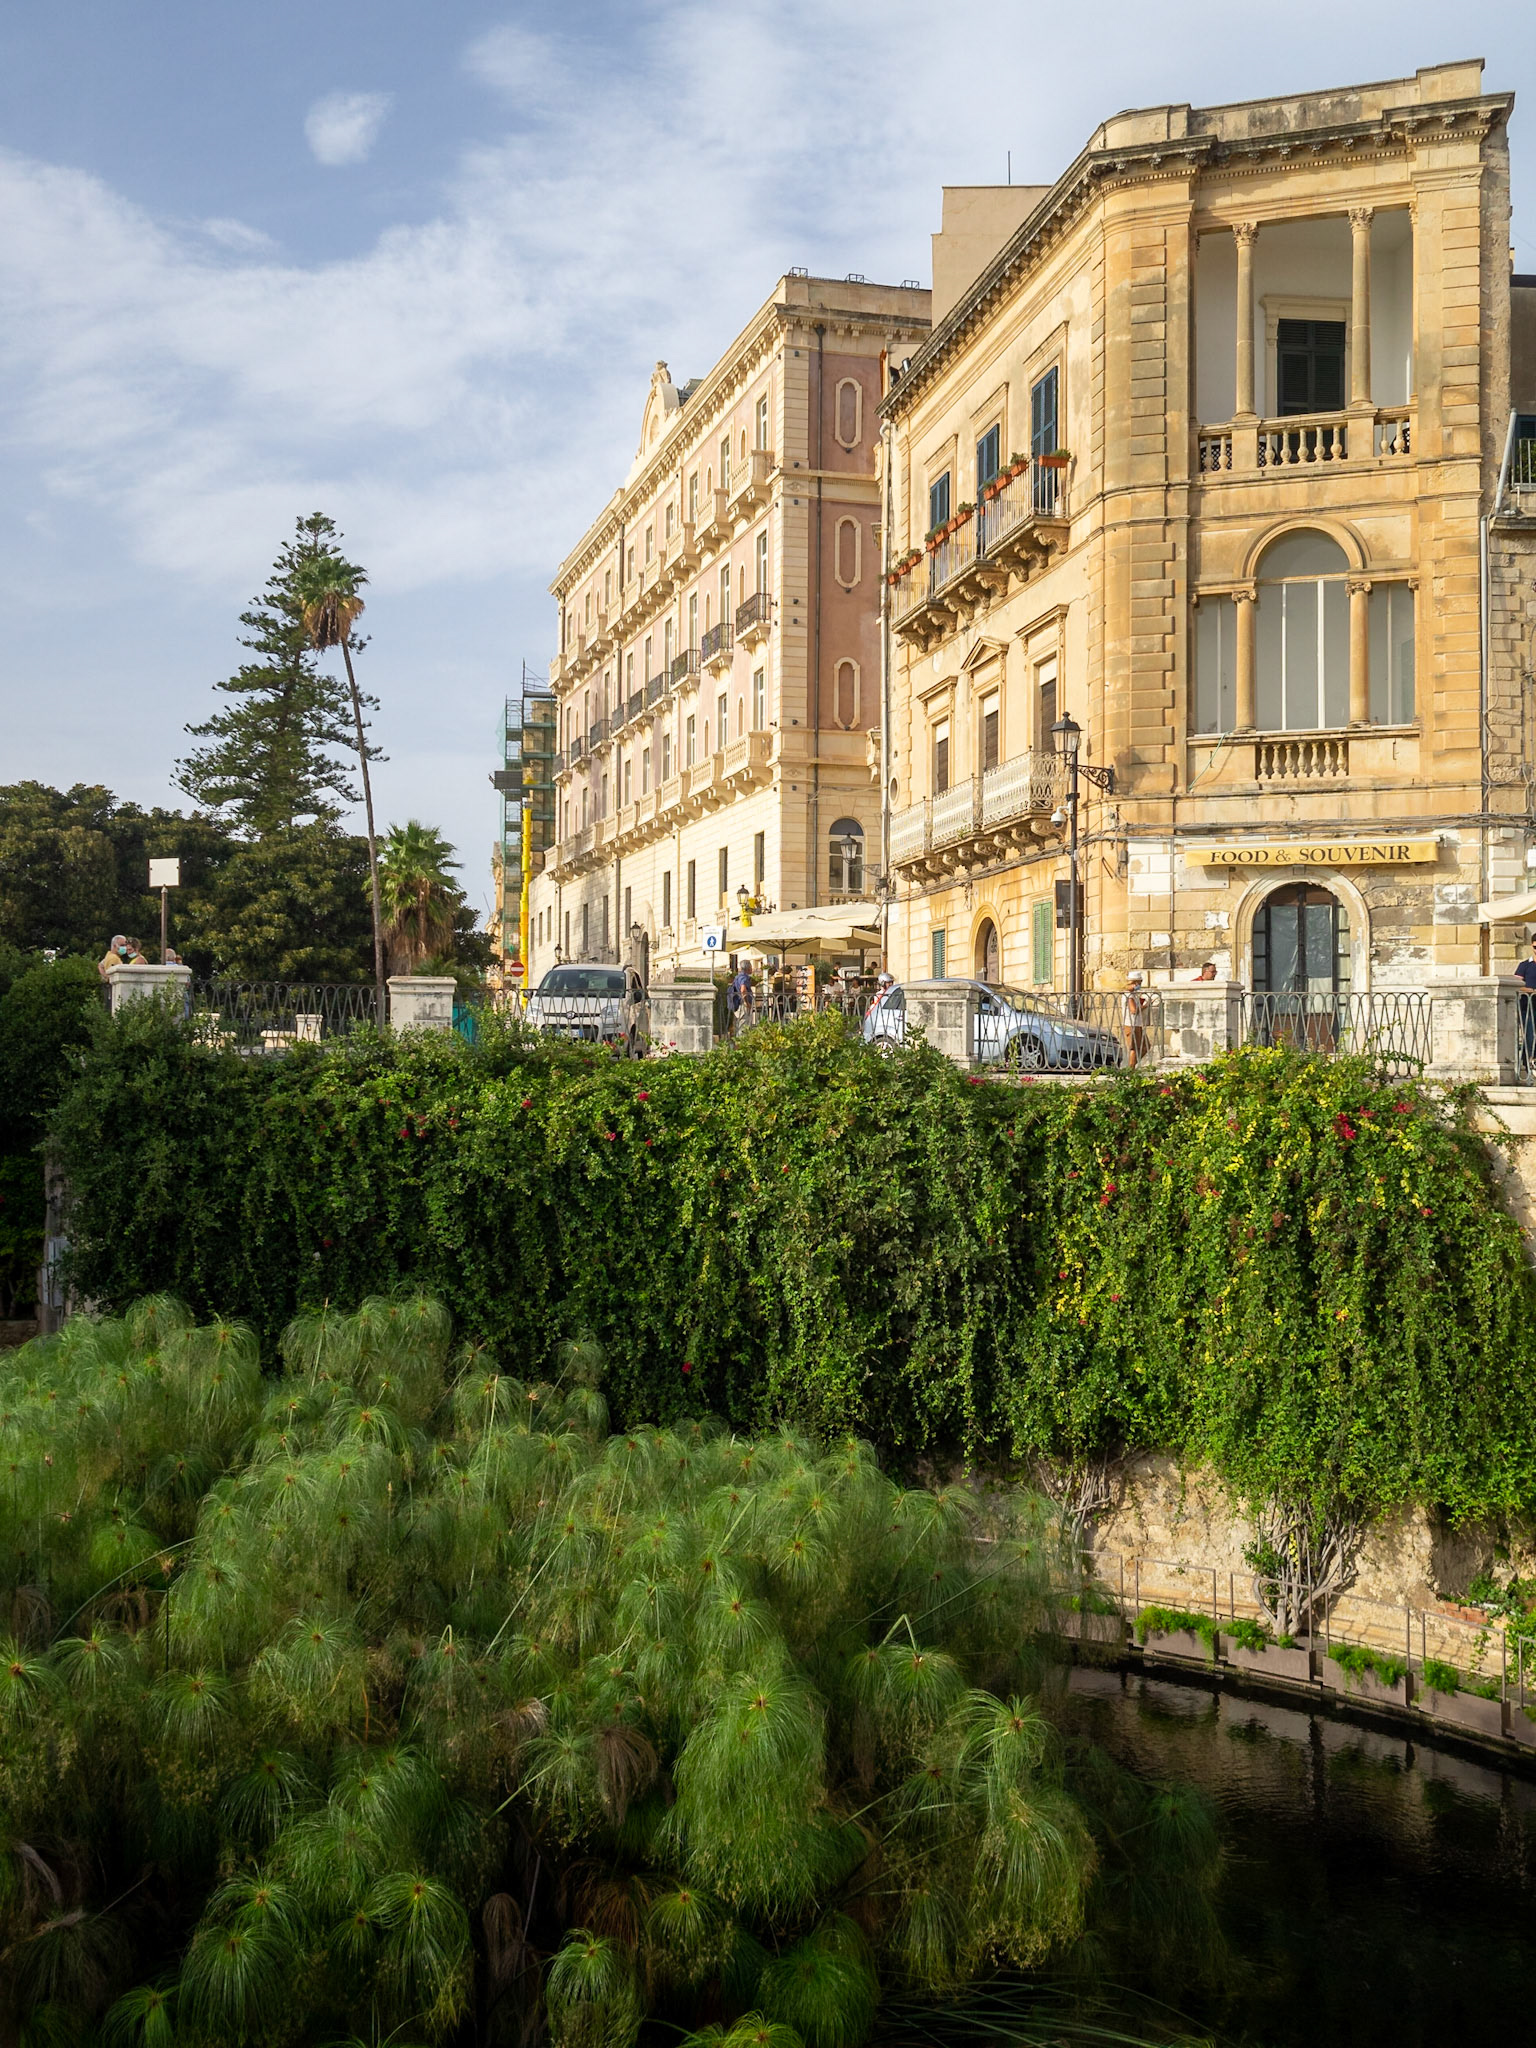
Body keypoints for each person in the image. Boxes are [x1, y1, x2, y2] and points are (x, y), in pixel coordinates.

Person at [1122, 972, 1151, 1069]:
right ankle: (1131, 1070)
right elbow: (1133, 1010)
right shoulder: (1128, 995)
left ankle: (1132, 1066)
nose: (1139, 985)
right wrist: (1144, 1006)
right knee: (1134, 1048)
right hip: (1131, 1024)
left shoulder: (1133, 994)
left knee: (1144, 1047)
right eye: (1138, 983)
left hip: (1137, 1024)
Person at [1516, 937, 1536, 1069]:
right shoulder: (1524, 965)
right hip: (1527, 1008)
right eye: (1535, 947)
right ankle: (1527, 1064)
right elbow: (1516, 985)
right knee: (1530, 1036)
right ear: (1531, 946)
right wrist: (1532, 990)